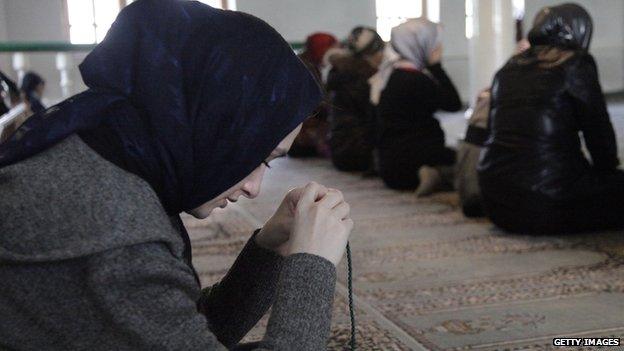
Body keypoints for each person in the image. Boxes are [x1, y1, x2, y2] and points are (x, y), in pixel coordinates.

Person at [0, 1, 354, 350]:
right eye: (257, 157)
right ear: (213, 126)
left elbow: (182, 331)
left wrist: (269, 249)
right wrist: (312, 265)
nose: (254, 188)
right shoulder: (112, 233)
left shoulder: (109, 156)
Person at [478, 3, 624, 234]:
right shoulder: (575, 64)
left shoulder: (507, 68)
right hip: (548, 203)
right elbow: (598, 131)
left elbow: (492, 132)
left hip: (496, 201)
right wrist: (608, 173)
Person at [372, 18, 462, 195]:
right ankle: (436, 174)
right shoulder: (416, 80)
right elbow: (454, 104)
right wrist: (436, 67)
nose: (439, 49)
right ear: (421, 45)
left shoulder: (388, 75)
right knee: (465, 158)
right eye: (435, 45)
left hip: (388, 167)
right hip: (415, 164)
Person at [326, 26, 384, 172]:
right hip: (359, 154)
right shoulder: (365, 78)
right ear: (372, 53)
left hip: (339, 152)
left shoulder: (338, 71)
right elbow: (375, 121)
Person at [288, 32, 338, 158]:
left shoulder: (306, 63)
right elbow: (314, 103)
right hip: (300, 138)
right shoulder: (306, 67)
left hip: (296, 137)